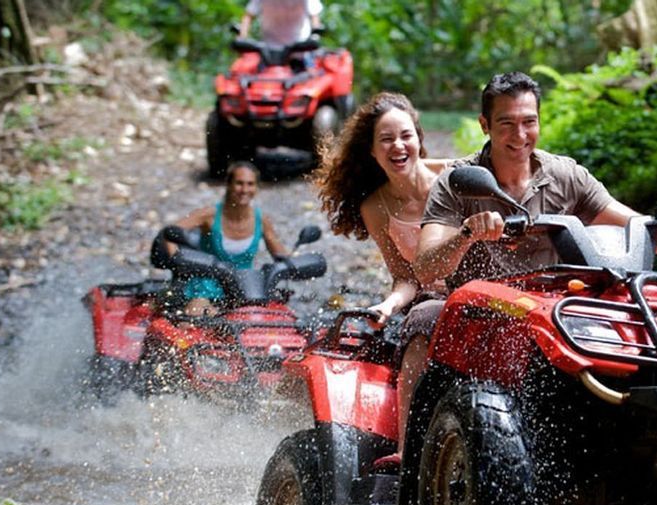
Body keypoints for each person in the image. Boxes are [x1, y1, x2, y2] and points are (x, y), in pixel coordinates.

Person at [413, 70, 657, 291]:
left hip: (556, 311)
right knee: (426, 327)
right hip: (477, 308)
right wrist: (467, 235)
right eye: (506, 123)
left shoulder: (567, 176)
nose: (519, 135)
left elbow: (637, 234)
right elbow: (425, 268)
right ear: (485, 125)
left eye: (529, 122)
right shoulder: (457, 181)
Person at [314, 92, 451, 438]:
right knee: (419, 327)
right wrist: (388, 306)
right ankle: (407, 448)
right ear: (372, 152)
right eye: (386, 139)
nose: (398, 146)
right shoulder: (375, 208)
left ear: (420, 139)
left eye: (405, 136)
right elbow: (405, 278)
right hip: (428, 299)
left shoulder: (453, 176)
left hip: (476, 284)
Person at [167, 161, 289, 316]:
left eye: (250, 184)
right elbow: (169, 233)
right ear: (229, 185)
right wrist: (177, 262)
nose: (245, 190)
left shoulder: (261, 220)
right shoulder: (208, 215)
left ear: (256, 188)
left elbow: (282, 256)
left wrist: (295, 264)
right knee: (195, 315)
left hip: (245, 291)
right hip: (205, 289)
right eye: (239, 183)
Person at [239, 0, 323, 48]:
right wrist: (242, 37)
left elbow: (314, 17)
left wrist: (314, 37)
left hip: (300, 47)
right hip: (269, 47)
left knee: (311, 76)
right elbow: (248, 16)